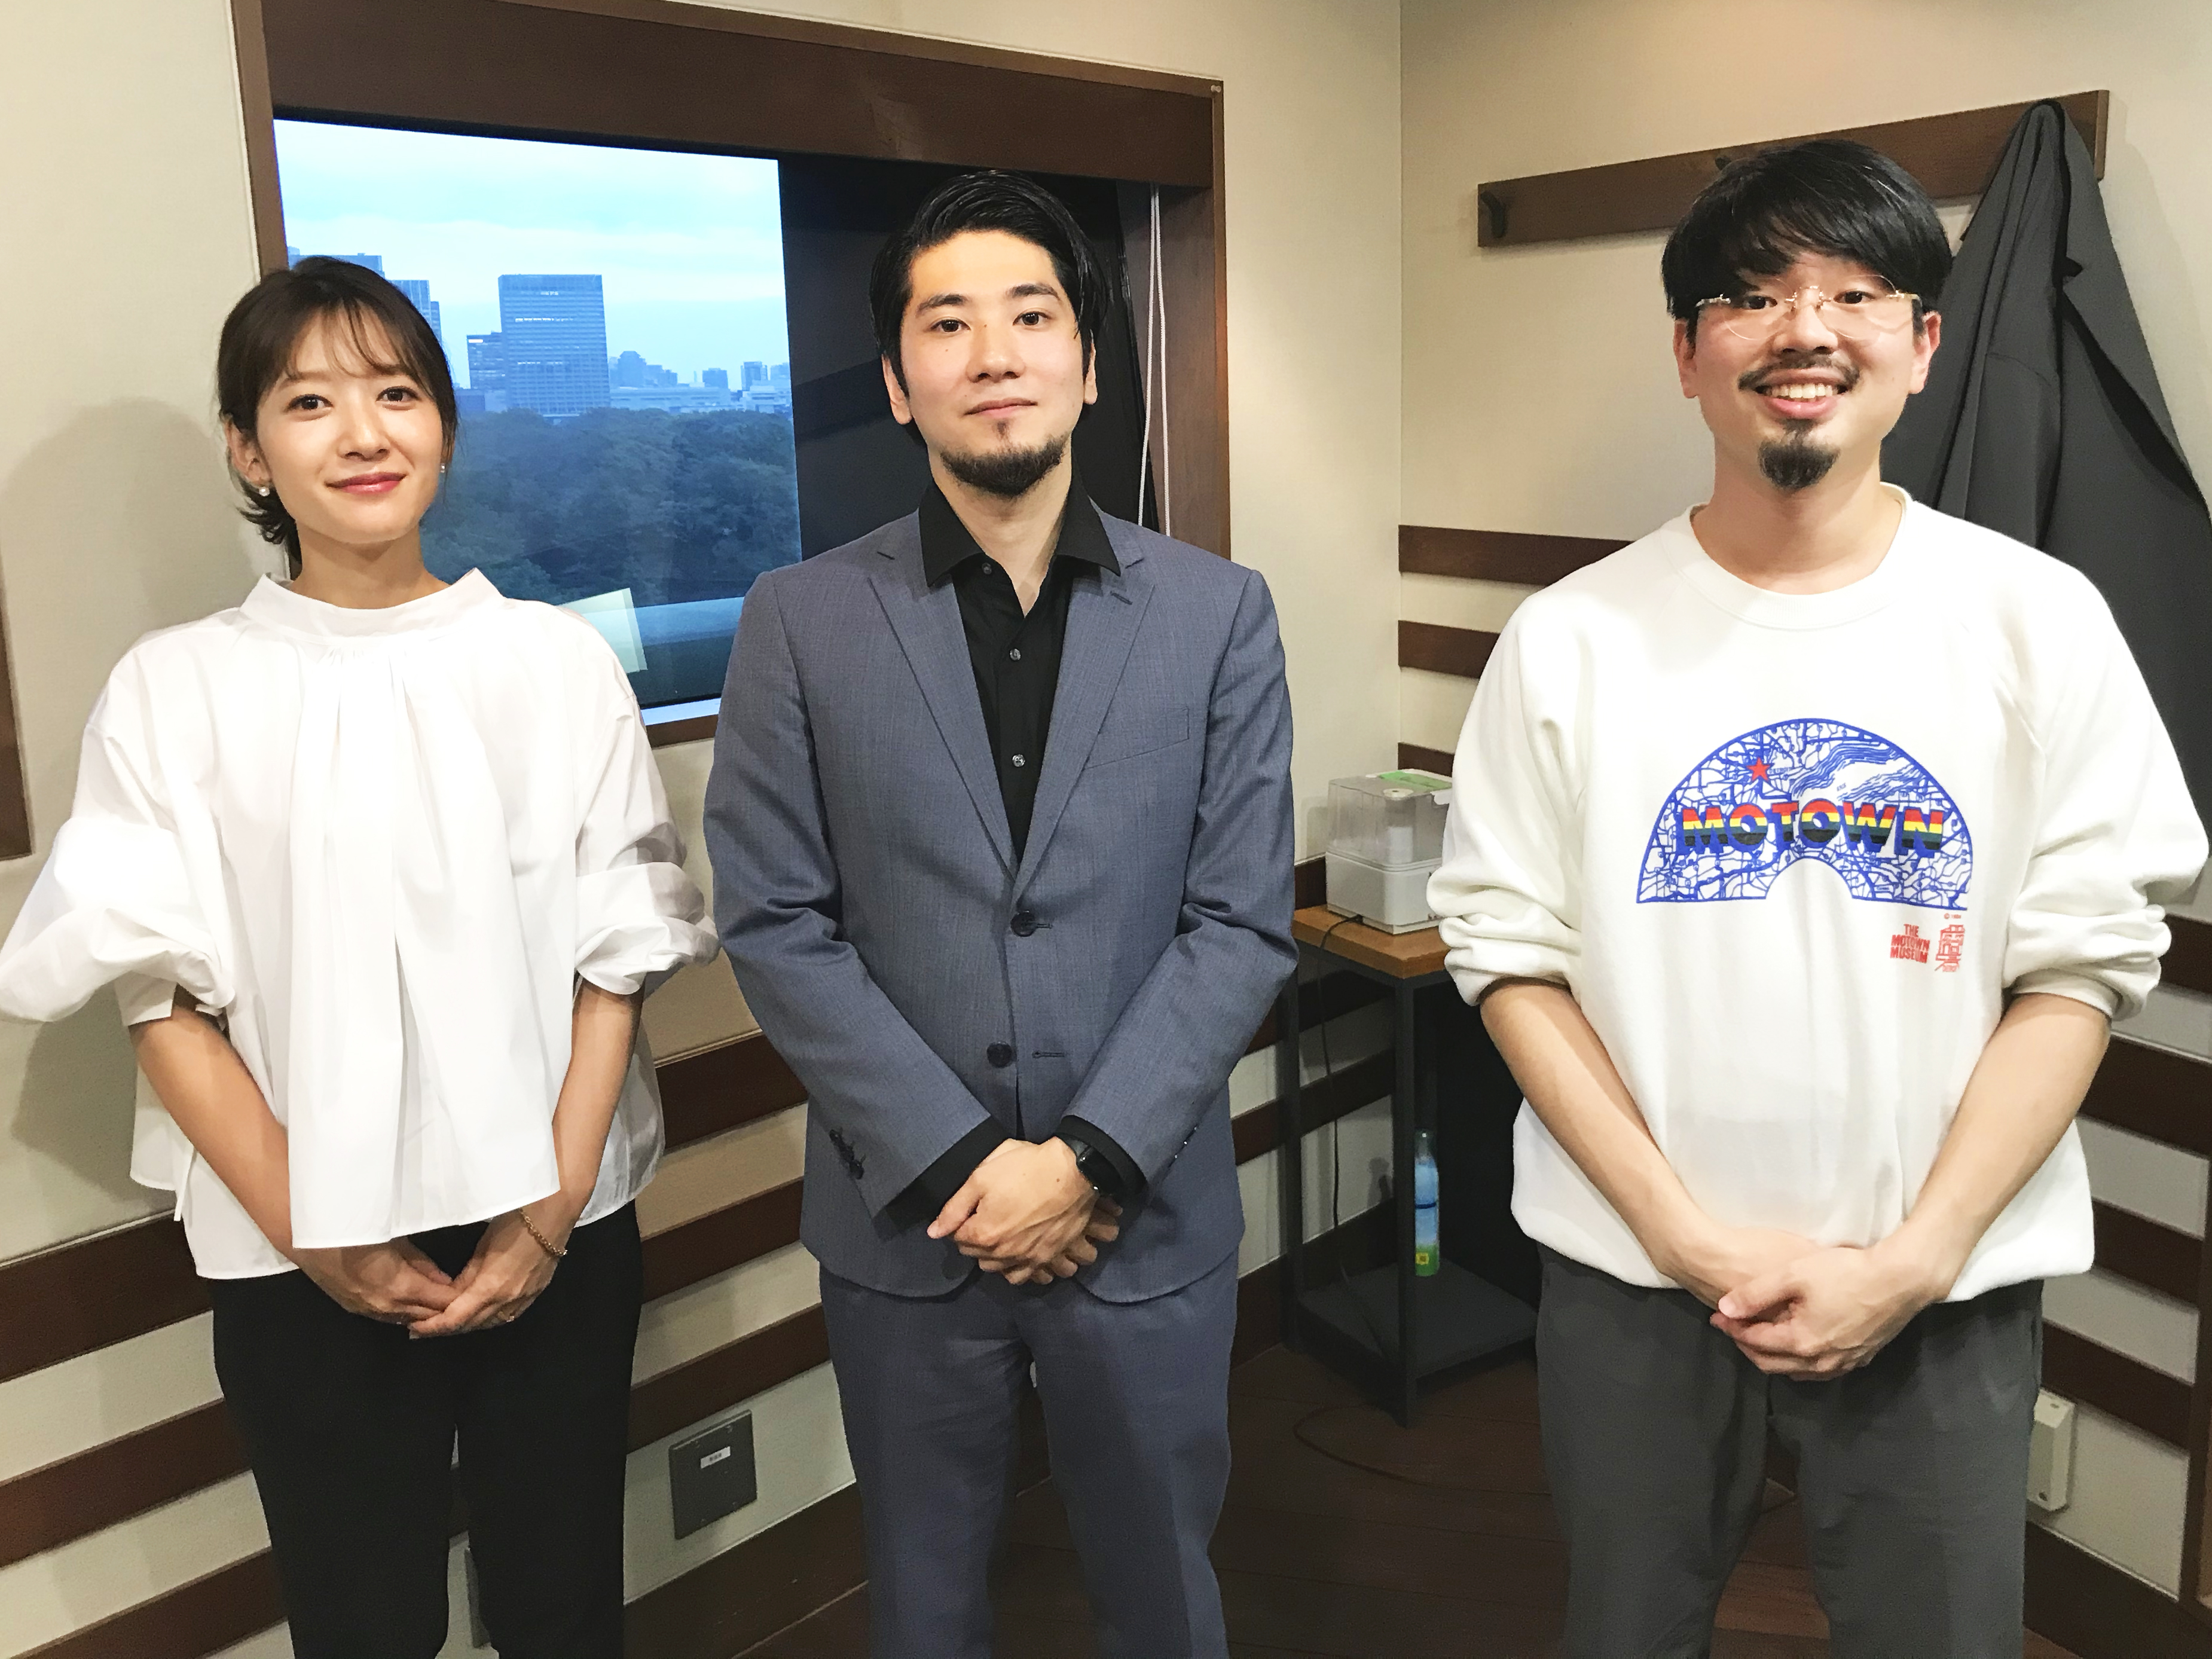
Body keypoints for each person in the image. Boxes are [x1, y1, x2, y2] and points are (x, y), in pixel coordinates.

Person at [1429, 140, 2207, 1658]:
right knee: (1625, 1628)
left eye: (1855, 293)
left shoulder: (2037, 620)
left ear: (1921, 344)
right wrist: (1682, 1236)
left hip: (1944, 1281)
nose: (1804, 329)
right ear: (1686, 352)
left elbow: (2081, 965)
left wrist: (1911, 1256)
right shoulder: (1570, 638)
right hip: (1631, 1278)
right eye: (1751, 294)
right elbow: (1508, 956)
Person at [0, 258, 717, 1658]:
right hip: (297, 1244)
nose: (363, 433)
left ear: (443, 425)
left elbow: (617, 954)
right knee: (359, 1621)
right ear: (247, 448)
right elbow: (160, 992)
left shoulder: (553, 662)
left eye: (396, 393)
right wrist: (313, 1227)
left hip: (557, 1220)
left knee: (563, 1602)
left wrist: (547, 1211)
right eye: (310, 401)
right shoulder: (175, 688)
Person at [705, 171, 1294, 1658]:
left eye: (1030, 316)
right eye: (946, 322)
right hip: (909, 1224)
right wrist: (967, 1164)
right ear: (896, 382)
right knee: (920, 1599)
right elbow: (775, 921)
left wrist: (1085, 1159)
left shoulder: (1219, 611)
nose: (992, 353)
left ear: (1087, 365)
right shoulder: (798, 617)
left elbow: (1238, 920)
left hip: (1142, 1213)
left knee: (1163, 1589)